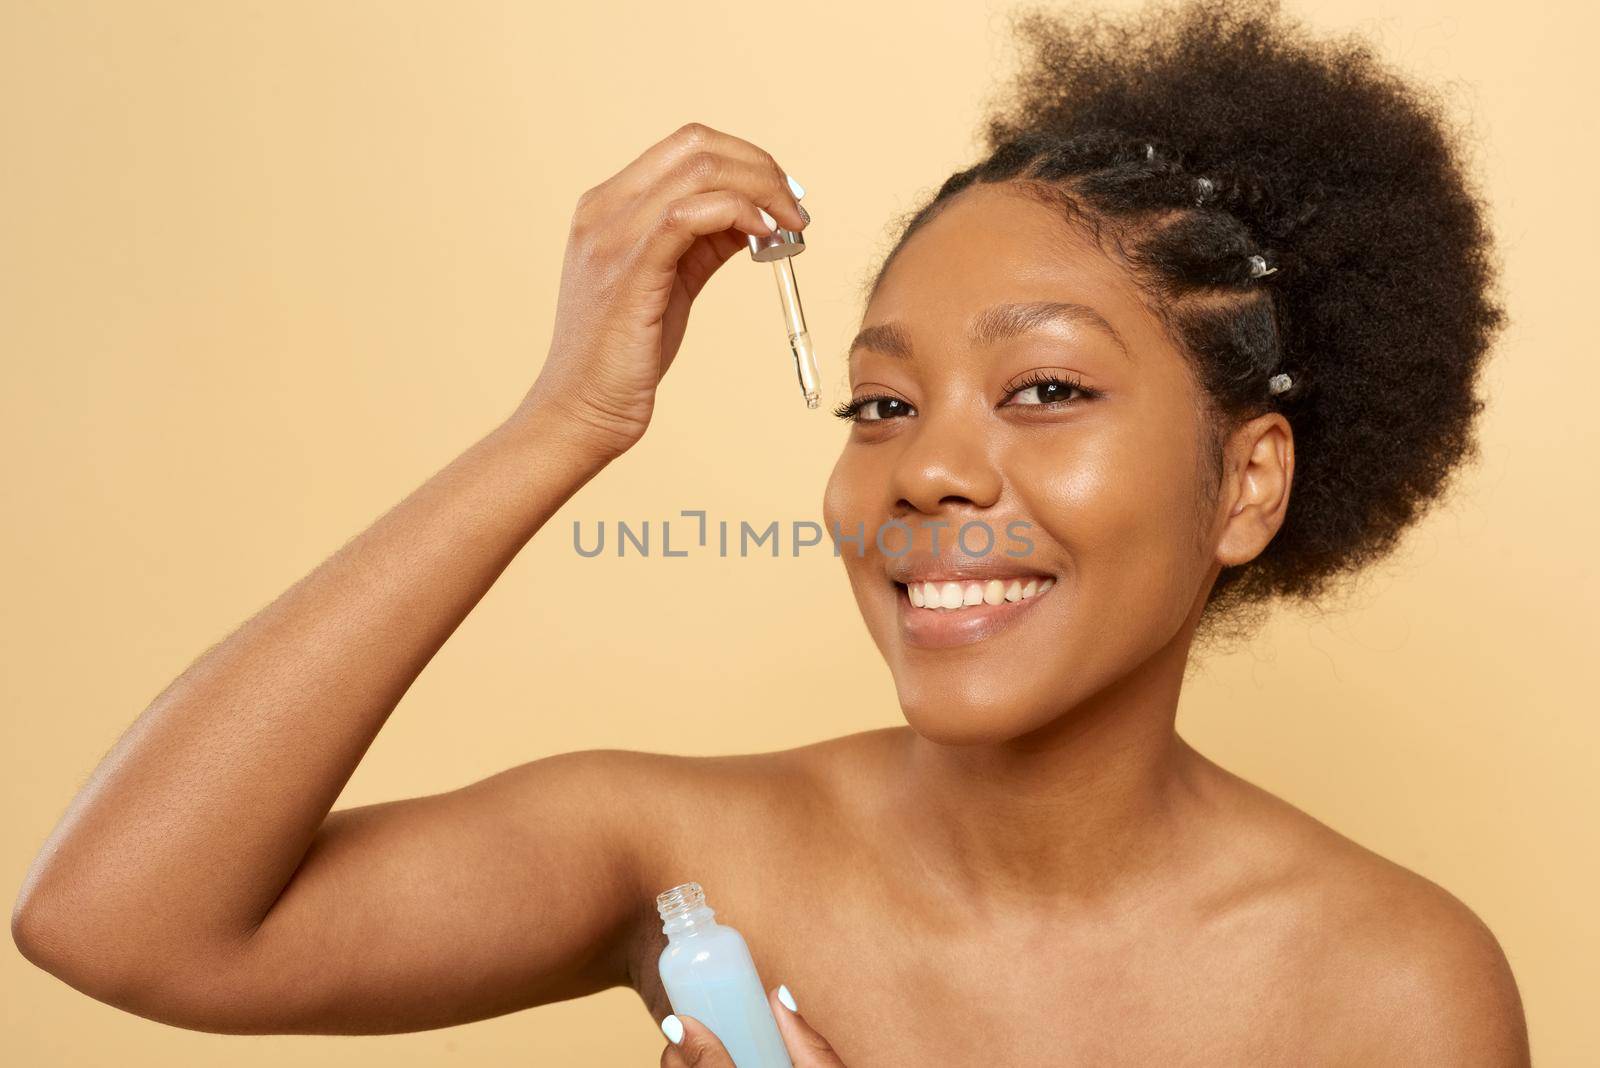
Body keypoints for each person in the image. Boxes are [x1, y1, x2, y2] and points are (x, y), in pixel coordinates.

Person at [12, 0, 1530, 1063]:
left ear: (1248, 485)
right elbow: (120, 920)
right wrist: (567, 421)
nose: (929, 471)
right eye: (878, 407)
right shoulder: (687, 863)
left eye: (1047, 387)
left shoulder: (1390, 990)